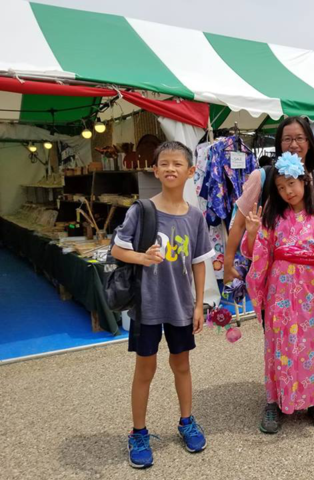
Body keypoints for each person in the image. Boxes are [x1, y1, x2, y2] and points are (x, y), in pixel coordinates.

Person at [241, 152, 314, 433]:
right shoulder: (272, 218)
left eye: (291, 185)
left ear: (305, 182)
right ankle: (273, 400)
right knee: (277, 344)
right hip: (278, 289)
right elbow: (255, 252)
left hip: (309, 289)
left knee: (310, 346)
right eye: (281, 188)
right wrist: (251, 231)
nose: (287, 192)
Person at [111, 141, 215, 468]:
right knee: (146, 368)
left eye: (177, 164)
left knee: (181, 365)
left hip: (181, 305)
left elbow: (200, 262)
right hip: (147, 306)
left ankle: (186, 421)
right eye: (164, 163)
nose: (170, 169)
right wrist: (143, 257)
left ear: (190, 171)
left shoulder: (195, 217)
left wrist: (199, 304)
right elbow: (116, 250)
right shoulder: (141, 210)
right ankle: (138, 432)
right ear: (154, 170)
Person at [224, 116, 314, 403]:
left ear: (310, 143)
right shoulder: (262, 177)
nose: (294, 144)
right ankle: (278, 394)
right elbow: (239, 223)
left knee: (312, 334)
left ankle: (312, 388)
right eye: (287, 138)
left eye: (300, 138)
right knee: (278, 337)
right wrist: (228, 263)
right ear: (278, 144)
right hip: (272, 268)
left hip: (309, 274)